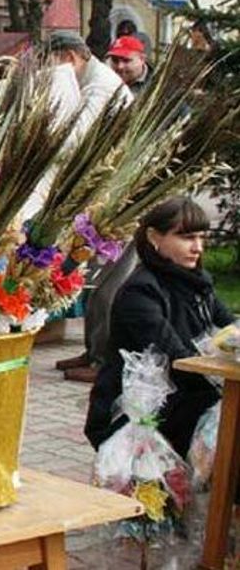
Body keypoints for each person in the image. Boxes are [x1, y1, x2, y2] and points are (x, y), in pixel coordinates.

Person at [84, 196, 233, 458]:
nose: (198, 247)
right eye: (187, 237)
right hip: (139, 411)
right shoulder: (140, 291)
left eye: (201, 237)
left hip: (185, 398)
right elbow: (178, 359)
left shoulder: (197, 283)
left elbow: (230, 327)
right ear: (154, 237)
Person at [47, 31, 132, 381]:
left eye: (51, 63)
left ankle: (103, 361)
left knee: (111, 278)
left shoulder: (100, 86)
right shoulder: (90, 80)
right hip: (103, 189)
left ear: (69, 56)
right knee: (96, 273)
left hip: (119, 193)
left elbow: (75, 140)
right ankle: (93, 350)